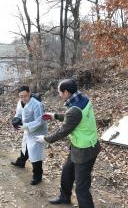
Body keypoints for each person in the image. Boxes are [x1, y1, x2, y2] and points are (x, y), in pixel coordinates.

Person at [37, 79, 101, 207]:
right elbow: (74, 117)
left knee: (81, 188)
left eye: (60, 92)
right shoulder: (82, 98)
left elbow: (63, 131)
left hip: (84, 151)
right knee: (67, 172)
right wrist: (55, 115)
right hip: (79, 146)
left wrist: (46, 139)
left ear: (66, 92)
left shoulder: (74, 110)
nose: (59, 95)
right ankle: (65, 196)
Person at [10, 86, 48, 185]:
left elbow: (39, 121)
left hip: (38, 131)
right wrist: (16, 120)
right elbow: (18, 113)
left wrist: (26, 126)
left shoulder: (37, 104)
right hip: (27, 129)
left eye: (25, 96)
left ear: (29, 93)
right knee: (25, 146)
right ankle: (21, 162)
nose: (23, 99)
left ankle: (37, 175)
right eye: (21, 96)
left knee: (35, 154)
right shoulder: (20, 102)